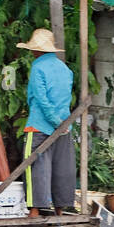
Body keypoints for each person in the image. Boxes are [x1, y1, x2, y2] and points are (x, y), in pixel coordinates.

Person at [17, 27, 75, 216]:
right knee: (61, 168)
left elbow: (42, 99)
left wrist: (53, 120)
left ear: (36, 50)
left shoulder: (38, 67)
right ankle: (59, 209)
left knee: (35, 167)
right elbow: (66, 98)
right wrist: (61, 123)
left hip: (40, 125)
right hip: (64, 126)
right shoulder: (65, 69)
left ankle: (34, 210)